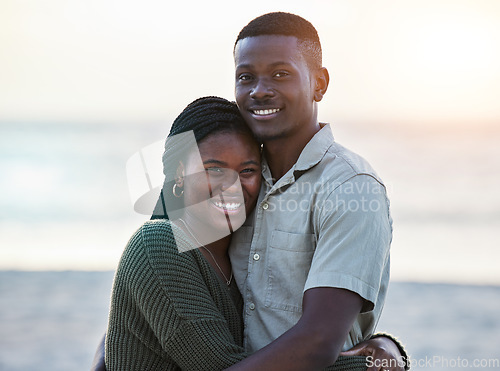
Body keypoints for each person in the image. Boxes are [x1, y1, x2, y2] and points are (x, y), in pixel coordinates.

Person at [101, 97, 405, 371]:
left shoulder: (242, 252)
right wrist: (373, 365)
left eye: (247, 171)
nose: (231, 186)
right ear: (180, 172)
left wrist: (384, 345)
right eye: (214, 169)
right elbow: (225, 366)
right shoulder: (159, 244)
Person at [224, 12, 407, 370]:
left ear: (319, 84)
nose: (260, 90)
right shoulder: (233, 174)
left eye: (280, 74)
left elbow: (318, 342)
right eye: (246, 77)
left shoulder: (352, 189)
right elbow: (158, 263)